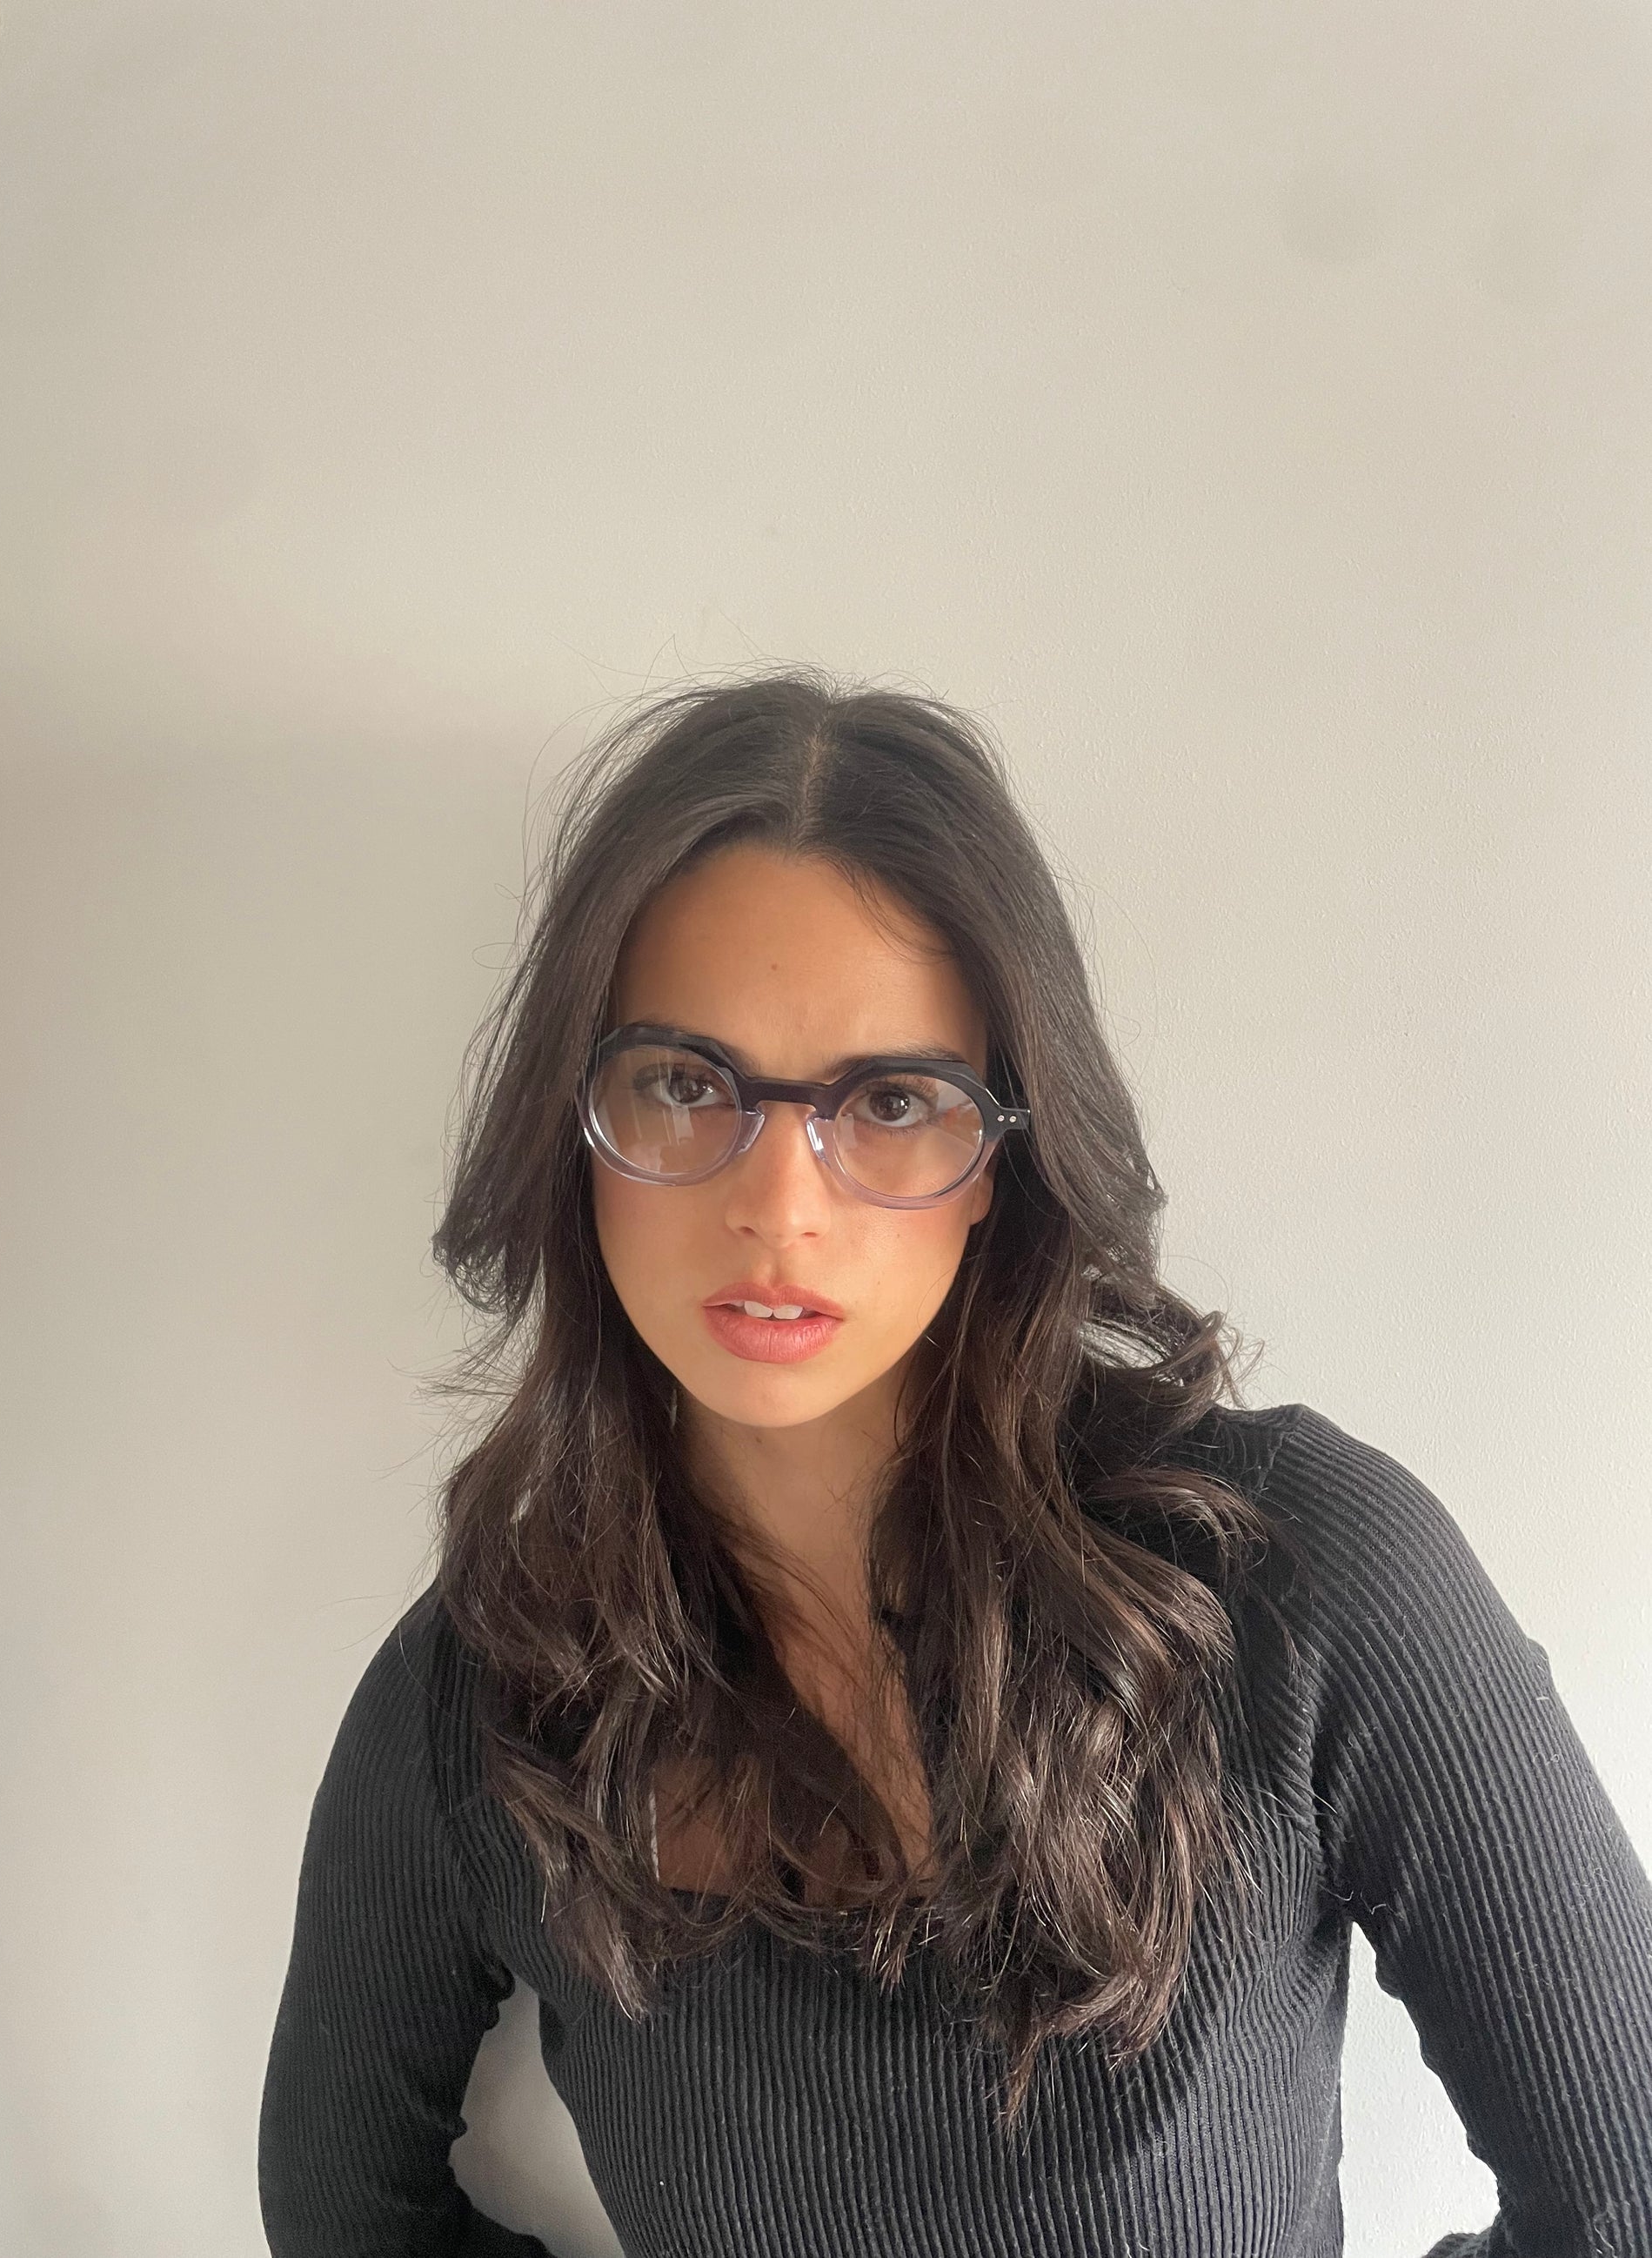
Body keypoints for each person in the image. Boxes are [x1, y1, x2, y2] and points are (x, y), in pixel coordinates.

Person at [257, 671, 1652, 2258]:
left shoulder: (1296, 1581)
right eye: (683, 1083)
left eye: (892, 1100)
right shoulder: (489, 1693)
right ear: (577, 1121)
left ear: (1000, 1155)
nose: (778, 1205)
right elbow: (342, 2211)